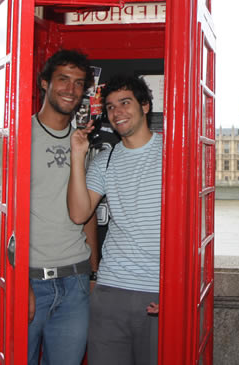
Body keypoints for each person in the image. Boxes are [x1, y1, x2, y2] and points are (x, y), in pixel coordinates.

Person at [67, 74, 162, 365]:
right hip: (111, 291)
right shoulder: (105, 161)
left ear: (145, 105)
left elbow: (197, 227)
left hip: (157, 293)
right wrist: (77, 155)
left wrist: (180, 288)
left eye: (125, 102)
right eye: (110, 107)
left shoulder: (173, 154)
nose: (117, 112)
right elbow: (79, 213)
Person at [27, 49, 98, 365]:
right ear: (44, 83)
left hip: (75, 282)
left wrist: (93, 273)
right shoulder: (17, 138)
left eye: (79, 83)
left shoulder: (82, 142)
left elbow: (87, 215)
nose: (71, 89)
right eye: (63, 79)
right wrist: (14, 280)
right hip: (28, 281)